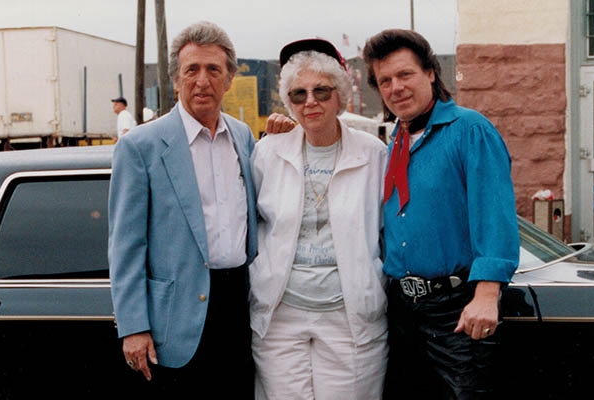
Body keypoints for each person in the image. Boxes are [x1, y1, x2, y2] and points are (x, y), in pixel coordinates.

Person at [362, 29, 520, 399]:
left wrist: (486, 294)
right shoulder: (394, 144)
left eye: (405, 75)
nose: (395, 87)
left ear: (430, 73)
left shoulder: (469, 130)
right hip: (403, 311)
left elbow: (494, 212)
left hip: (457, 310)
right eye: (385, 80)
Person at [108, 21, 256, 399]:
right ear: (175, 79)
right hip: (174, 321)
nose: (202, 80)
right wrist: (134, 327)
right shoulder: (141, 147)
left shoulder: (243, 137)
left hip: (240, 308)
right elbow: (126, 246)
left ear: (229, 79)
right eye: (191, 70)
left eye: (213, 70)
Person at [250, 38, 388, 400]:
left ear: (340, 95)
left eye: (321, 91)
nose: (310, 101)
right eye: (298, 94)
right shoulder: (266, 152)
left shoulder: (374, 154)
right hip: (281, 314)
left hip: (350, 314)